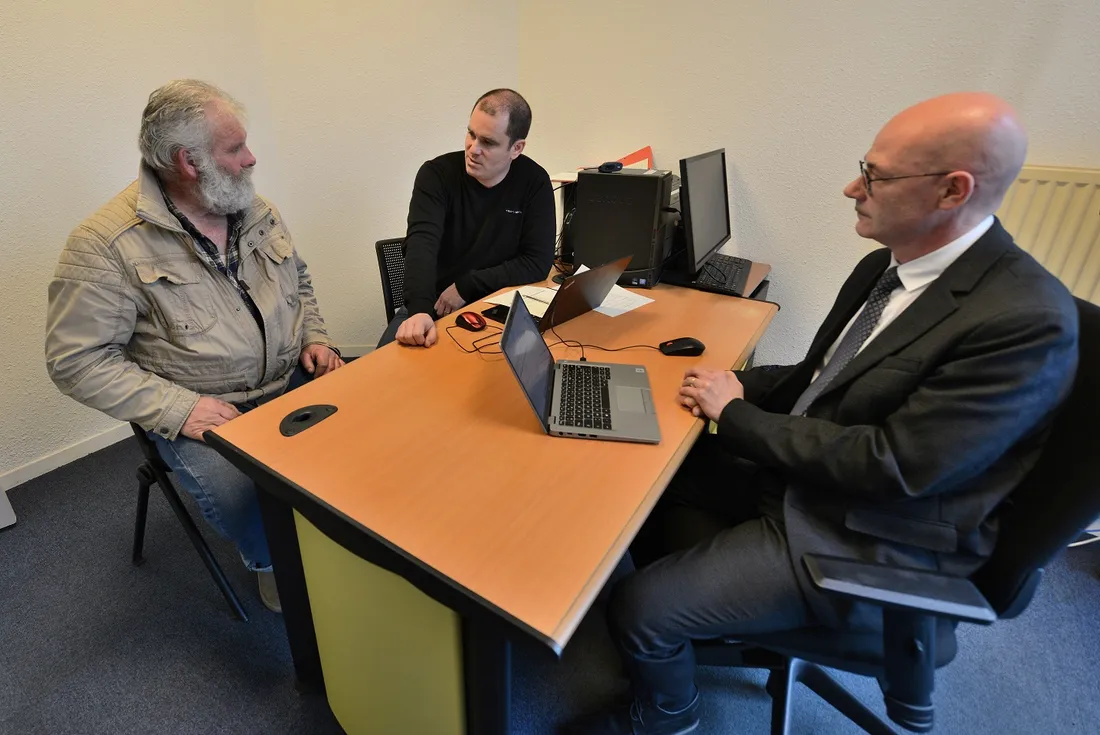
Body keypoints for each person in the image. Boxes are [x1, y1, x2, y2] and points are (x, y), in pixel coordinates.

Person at [566, 92, 1079, 734]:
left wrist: (737, 416)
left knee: (640, 608)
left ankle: (668, 712)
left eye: (875, 176)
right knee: (643, 474)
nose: (851, 188)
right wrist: (736, 385)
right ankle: (682, 632)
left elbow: (895, 466)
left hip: (865, 530)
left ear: (952, 191)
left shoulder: (1024, 320)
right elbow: (819, 381)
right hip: (812, 480)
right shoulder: (884, 269)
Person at [45, 80, 344, 613]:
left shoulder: (256, 209)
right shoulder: (105, 245)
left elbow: (298, 282)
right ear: (188, 161)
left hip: (288, 377)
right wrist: (180, 409)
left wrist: (315, 337)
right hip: (208, 410)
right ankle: (272, 562)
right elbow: (76, 360)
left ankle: (339, 538)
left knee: (369, 441)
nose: (251, 158)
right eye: (235, 149)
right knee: (247, 495)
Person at [378, 88, 556, 348]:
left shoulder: (535, 182)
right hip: (435, 308)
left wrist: (467, 285)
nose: (473, 149)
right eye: (471, 134)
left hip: (497, 309)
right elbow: (421, 244)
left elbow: (537, 261)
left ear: (516, 148)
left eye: (488, 142)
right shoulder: (436, 175)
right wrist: (419, 311)